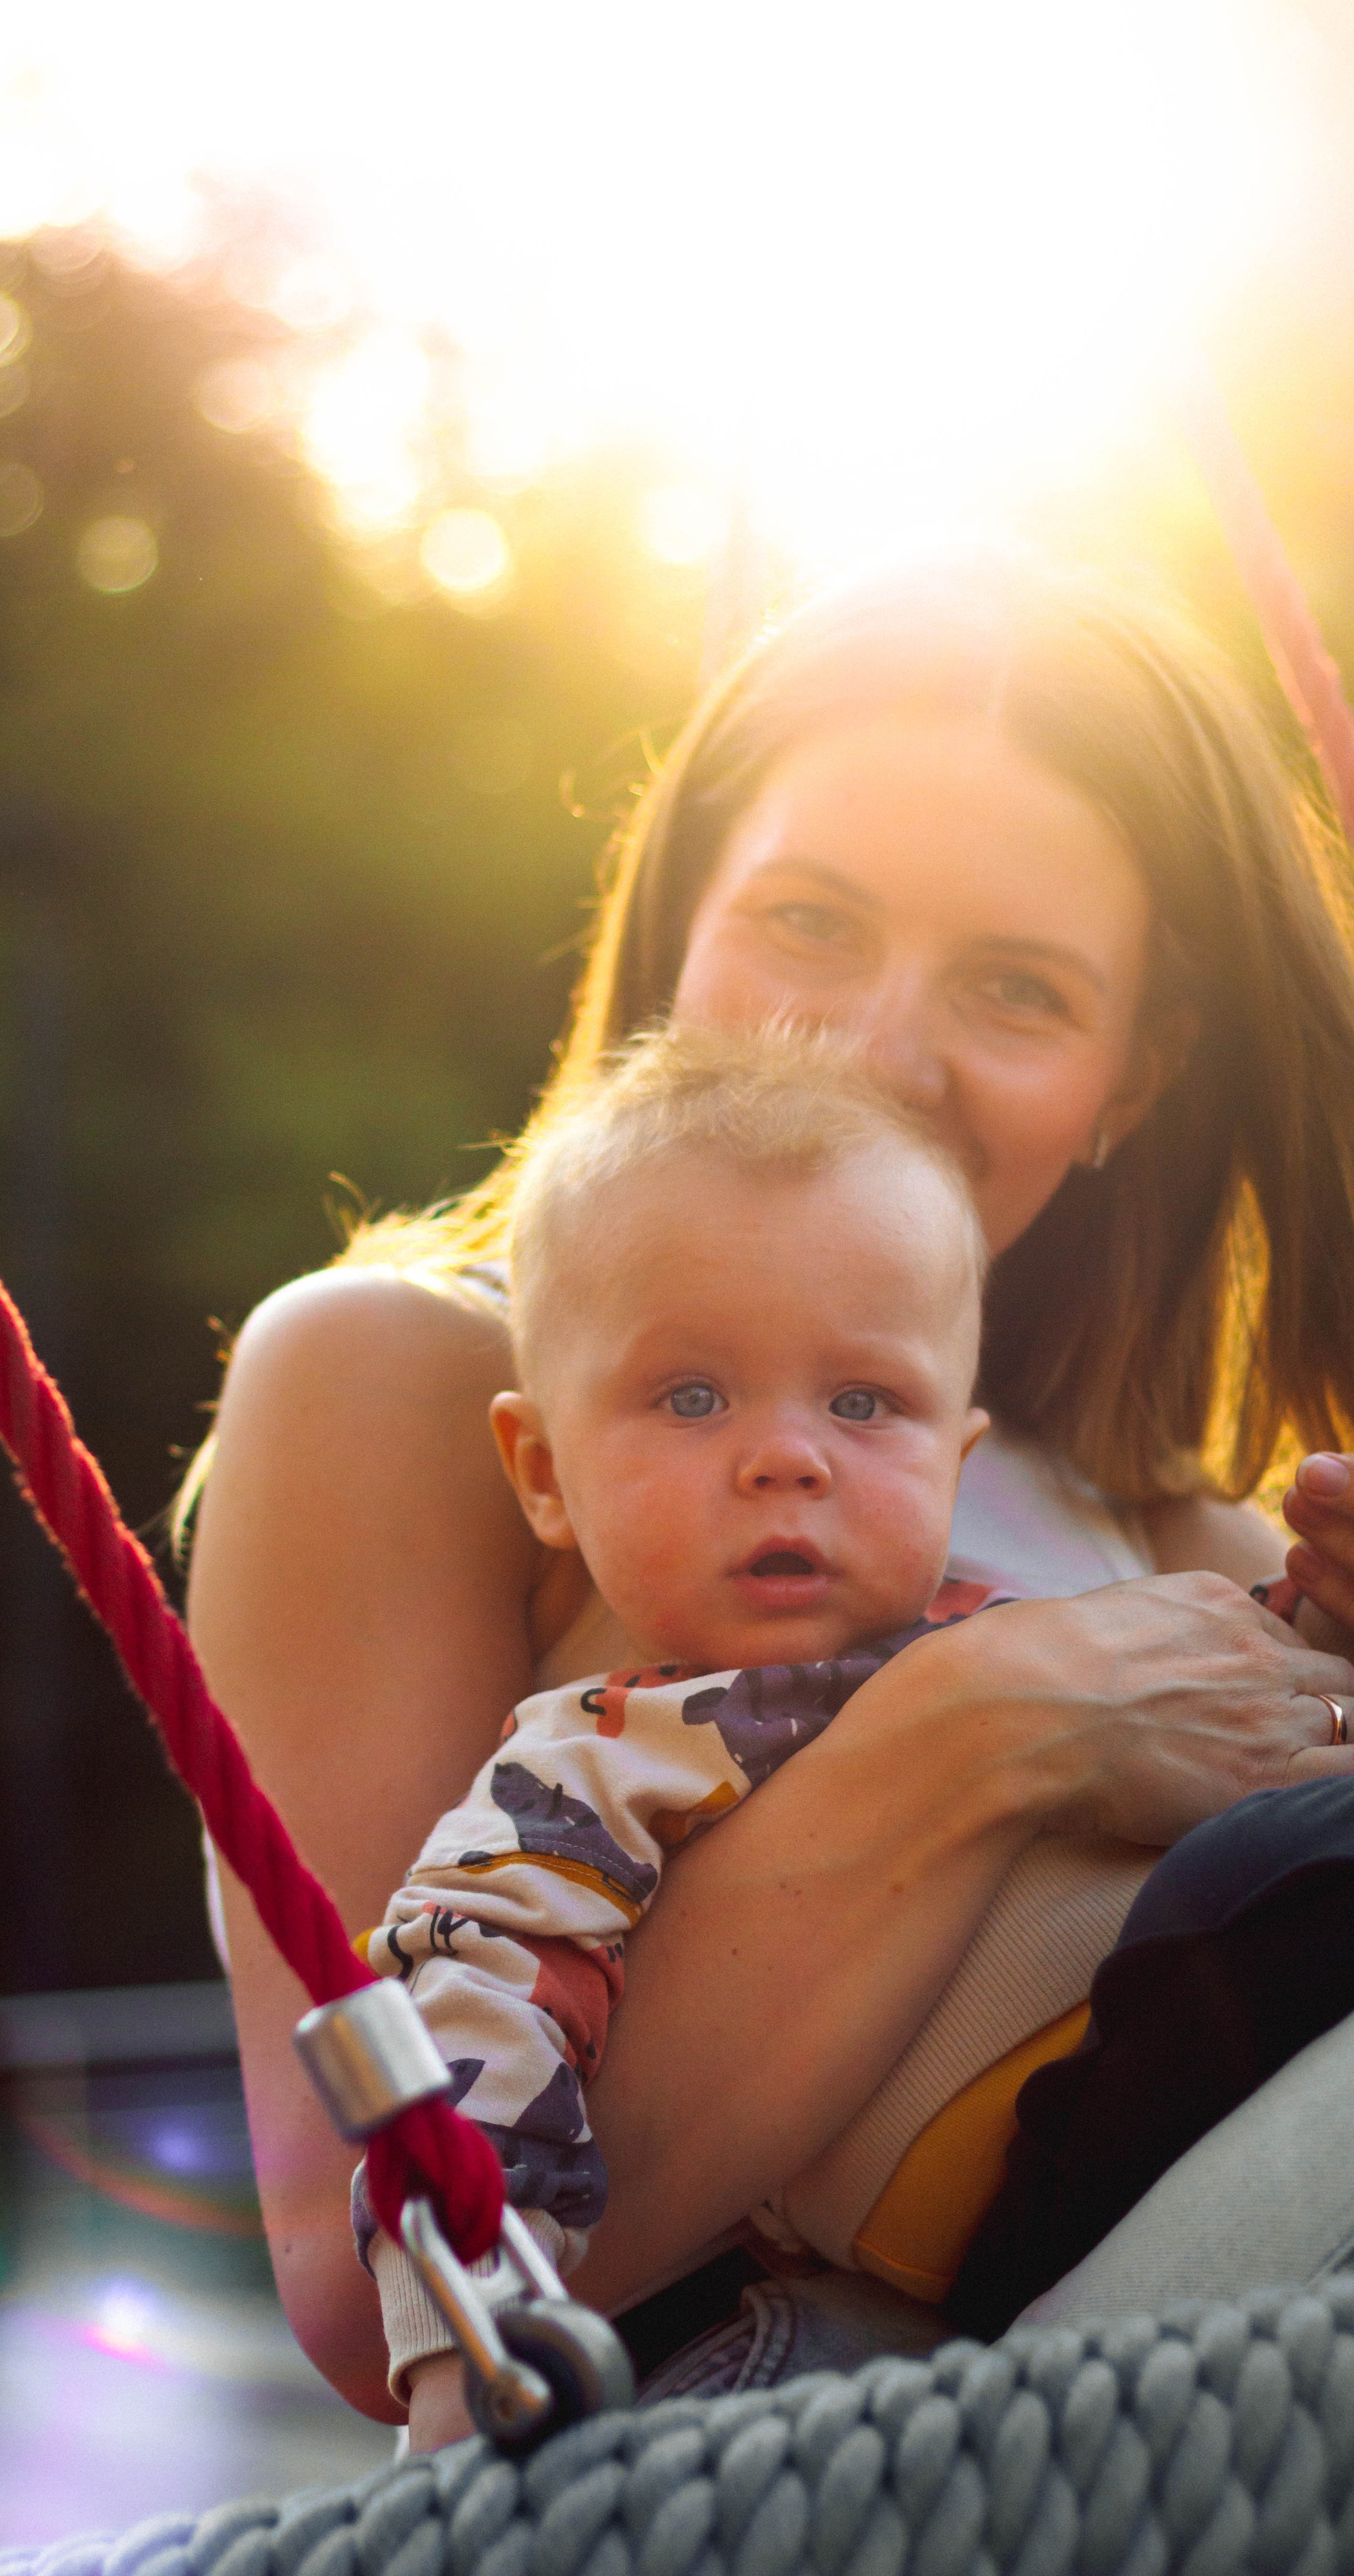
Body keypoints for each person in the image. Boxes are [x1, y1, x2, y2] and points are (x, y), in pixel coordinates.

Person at [181, 549, 1354, 2425]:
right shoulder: (413, 1382)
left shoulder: (1203, 1550)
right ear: (680, 930)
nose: (875, 1048)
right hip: (796, 2427)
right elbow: (376, 2271)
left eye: (1016, 986)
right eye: (810, 922)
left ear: (1130, 1081)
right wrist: (988, 1725)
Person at [353, 1024, 1010, 2440]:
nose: (786, 1454)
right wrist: (463, 2387)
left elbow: (1260, 1717)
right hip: (835, 2340)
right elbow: (466, 2032)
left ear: (955, 1457)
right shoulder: (593, 1767)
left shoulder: (1046, 1655)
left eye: (862, 1401)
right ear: (541, 1470)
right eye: (691, 1397)